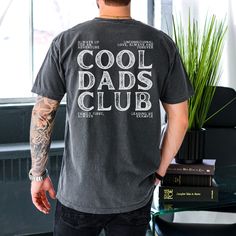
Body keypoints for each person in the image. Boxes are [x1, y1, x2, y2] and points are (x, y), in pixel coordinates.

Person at [29, 0, 194, 235]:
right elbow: (181, 119)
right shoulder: (161, 44)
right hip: (135, 193)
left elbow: (42, 113)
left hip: (80, 192)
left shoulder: (66, 42)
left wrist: (38, 174)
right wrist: (160, 171)